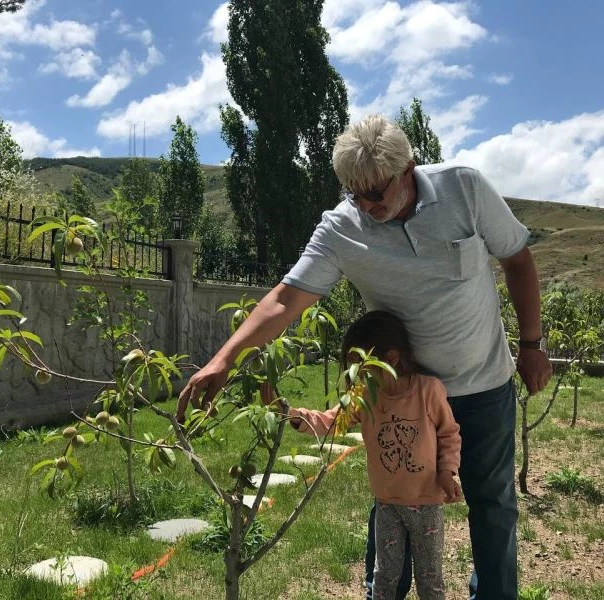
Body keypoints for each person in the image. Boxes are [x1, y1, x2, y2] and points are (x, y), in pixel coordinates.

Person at [177, 114, 553, 600]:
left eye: (376, 191)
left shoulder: (465, 188)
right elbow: (286, 298)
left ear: (409, 169)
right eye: (353, 192)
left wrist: (531, 345)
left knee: (492, 504)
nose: (366, 204)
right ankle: (383, 592)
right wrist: (224, 359)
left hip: (483, 383)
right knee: (394, 497)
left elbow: (518, 258)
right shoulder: (341, 228)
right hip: (399, 395)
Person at [261, 310, 462, 600]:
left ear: (391, 359)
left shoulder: (427, 391)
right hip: (387, 505)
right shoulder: (365, 396)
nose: (355, 375)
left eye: (361, 367)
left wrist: (447, 471)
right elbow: (331, 422)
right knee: (383, 577)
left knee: (430, 580)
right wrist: (289, 414)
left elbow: (449, 434)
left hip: (426, 504)